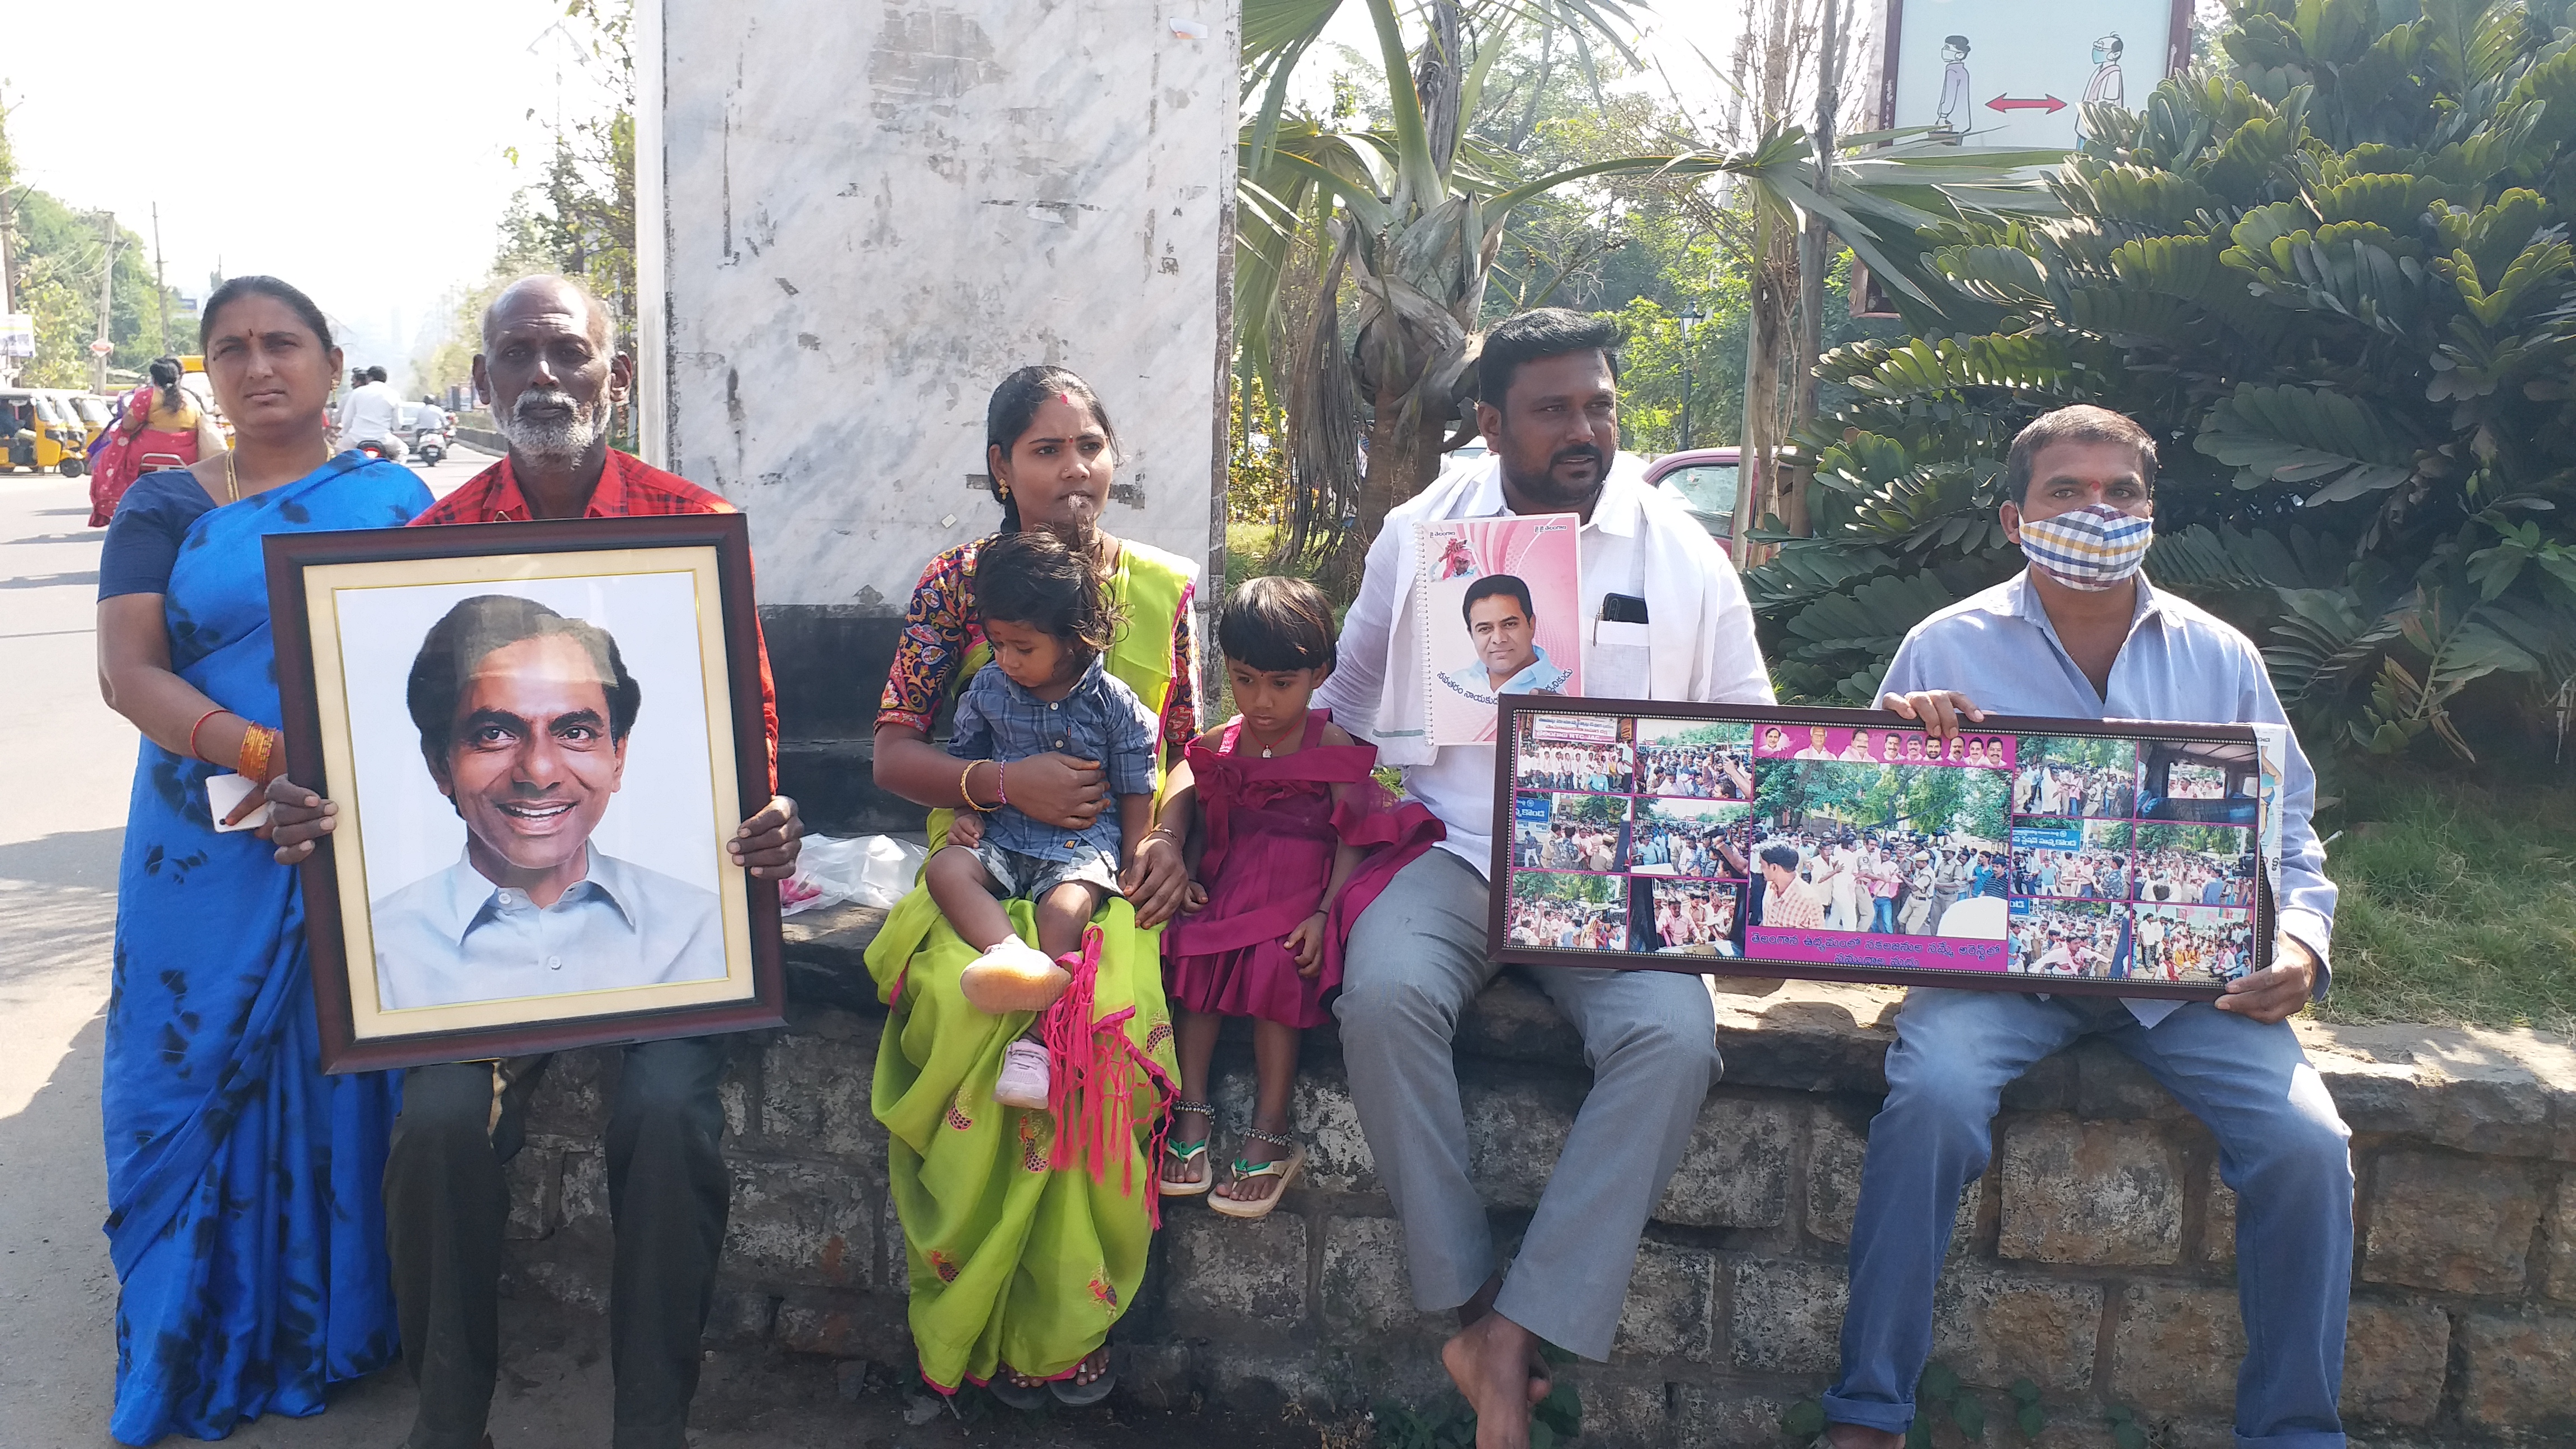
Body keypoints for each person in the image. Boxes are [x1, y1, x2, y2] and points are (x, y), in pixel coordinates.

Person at [265, 274, 801, 1449]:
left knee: (671, 1115)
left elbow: (742, 735)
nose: (546, 378)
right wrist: (324, 809)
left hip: (665, 948)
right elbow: (358, 750)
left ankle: (650, 1425)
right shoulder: (419, 554)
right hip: (473, 962)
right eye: (520, 355)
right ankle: (449, 1419)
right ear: (483, 380)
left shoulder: (689, 529)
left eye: (571, 353)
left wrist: (765, 818)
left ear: (615, 375)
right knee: (438, 1125)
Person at [1818, 405, 2350, 1449]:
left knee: (2307, 1143)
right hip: (1998, 974)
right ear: (2016, 520)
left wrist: (2300, 944)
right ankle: (1865, 1415)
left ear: (2150, 513)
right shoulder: (1944, 645)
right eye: (2066, 491)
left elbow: (2288, 831)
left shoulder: (2219, 655)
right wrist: (1902, 751)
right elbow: (1869, 818)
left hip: (2186, 980)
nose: (2096, 511)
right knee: (1927, 1101)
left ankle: (2295, 1432)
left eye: (2121, 492)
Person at [1318, 307, 1772, 1449]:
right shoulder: (1424, 533)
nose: (1585, 429)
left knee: (1673, 1038)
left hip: (1615, 873)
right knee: (1379, 998)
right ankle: (1466, 1308)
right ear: (1490, 423)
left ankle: (1523, 1331)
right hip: (1454, 852)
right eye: (1555, 408)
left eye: (1601, 405)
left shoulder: (1681, 552)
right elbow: (1342, 703)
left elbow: (1751, 731)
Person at [94, 276, 431, 1445]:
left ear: (333, 363)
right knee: (185, 1080)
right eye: (229, 349)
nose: (257, 366)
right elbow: (129, 674)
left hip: (350, 829)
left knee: (336, 1070)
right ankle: (191, 1335)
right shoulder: (164, 505)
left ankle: (328, 1332)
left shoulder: (392, 498)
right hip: (207, 841)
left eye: (281, 343)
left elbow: (433, 653)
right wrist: (260, 751)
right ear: (206, 373)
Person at [863, 364, 1196, 1406]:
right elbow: (891, 752)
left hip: (1102, 863)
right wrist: (1003, 782)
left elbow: (1181, 751)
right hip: (978, 844)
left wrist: (1169, 840)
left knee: (1094, 1018)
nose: (1072, 470)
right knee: (960, 1013)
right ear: (1001, 466)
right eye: (1043, 450)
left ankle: (1063, 1325)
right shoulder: (954, 585)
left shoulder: (1161, 587)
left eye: (1087, 445)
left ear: (1115, 455)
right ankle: (968, 1319)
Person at [1158, 577, 1441, 1213]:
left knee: (1276, 968)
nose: (1261, 701)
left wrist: (1324, 914)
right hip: (1233, 879)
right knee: (1194, 957)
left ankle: (1272, 1122)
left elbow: (1352, 835)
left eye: (1281, 684)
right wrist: (1190, 870)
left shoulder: (1328, 743)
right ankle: (1191, 1110)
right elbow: (1203, 814)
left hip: (1303, 883)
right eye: (1244, 678)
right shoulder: (1220, 744)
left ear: (1320, 673)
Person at [368, 595, 726, 1010]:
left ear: (618, 758)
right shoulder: (379, 953)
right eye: (494, 733)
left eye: (575, 732)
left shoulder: (700, 931)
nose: (539, 772)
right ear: (440, 764)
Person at [927, 525, 1161, 1113]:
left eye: (1021, 648)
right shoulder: (987, 687)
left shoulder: (1113, 703)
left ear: (1075, 637)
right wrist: (966, 813)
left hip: (1082, 845)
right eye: (997, 644)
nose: (1006, 659)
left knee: (1066, 910)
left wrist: (1137, 857)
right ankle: (1009, 955)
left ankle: (1038, 1041)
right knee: (946, 871)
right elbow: (967, 756)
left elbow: (1136, 784)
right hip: (1005, 833)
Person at [89, 356, 228, 525]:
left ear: (154, 378)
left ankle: (117, 500)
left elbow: (128, 425)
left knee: (113, 453)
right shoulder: (191, 399)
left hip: (146, 456)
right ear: (179, 377)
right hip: (185, 456)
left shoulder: (147, 396)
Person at [1437, 574, 1571, 701]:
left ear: (1531, 625)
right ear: (1471, 635)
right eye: (1485, 629)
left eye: (1509, 625)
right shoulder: (1454, 686)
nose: (1498, 639)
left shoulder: (1566, 687)